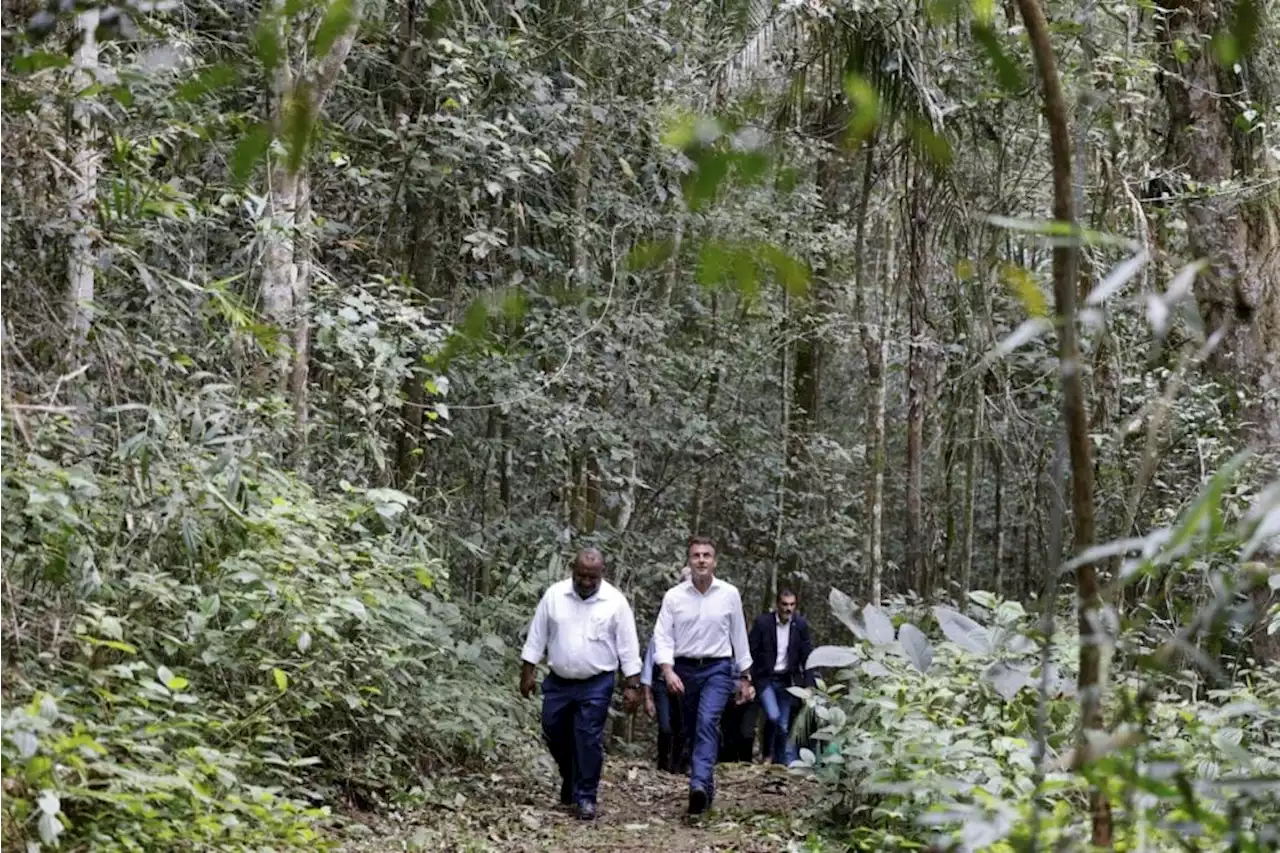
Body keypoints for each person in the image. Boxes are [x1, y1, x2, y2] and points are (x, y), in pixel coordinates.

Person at [519, 548, 642, 821]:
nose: (586, 582)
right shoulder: (555, 596)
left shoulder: (615, 602)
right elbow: (537, 635)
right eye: (581, 576)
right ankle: (570, 777)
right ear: (572, 571)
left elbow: (628, 647)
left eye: (592, 577)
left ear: (602, 574)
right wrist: (527, 672)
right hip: (559, 681)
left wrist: (632, 685)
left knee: (587, 737)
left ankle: (586, 795)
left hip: (596, 682)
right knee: (553, 731)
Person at [653, 536, 754, 816]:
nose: (701, 560)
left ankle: (697, 784)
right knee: (692, 728)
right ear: (689, 561)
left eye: (706, 555)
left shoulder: (729, 594)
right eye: (696, 555)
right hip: (684, 669)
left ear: (715, 561)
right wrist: (667, 669)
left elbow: (738, 635)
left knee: (708, 721)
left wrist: (745, 676)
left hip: (718, 668)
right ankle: (705, 788)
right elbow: (662, 636)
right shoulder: (674, 597)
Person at [748, 588, 814, 766]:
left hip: (786, 679)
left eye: (792, 605)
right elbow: (751, 651)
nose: (788, 609)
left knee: (784, 726)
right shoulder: (763, 623)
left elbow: (807, 655)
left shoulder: (800, 625)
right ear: (777, 605)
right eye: (784, 604)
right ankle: (767, 755)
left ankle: (779, 761)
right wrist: (748, 679)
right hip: (766, 678)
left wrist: (809, 683)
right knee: (773, 716)